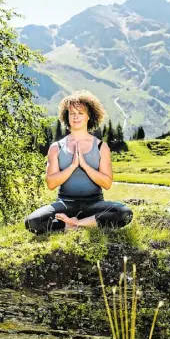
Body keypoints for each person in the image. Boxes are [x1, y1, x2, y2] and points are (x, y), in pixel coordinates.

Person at [24, 91, 132, 233]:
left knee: (125, 213)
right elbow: (51, 183)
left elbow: (107, 183)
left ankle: (76, 223)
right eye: (72, 113)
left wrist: (85, 166)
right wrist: (73, 166)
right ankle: (74, 223)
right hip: (64, 205)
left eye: (80, 113)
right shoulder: (56, 147)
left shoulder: (101, 147)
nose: (76, 117)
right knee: (32, 222)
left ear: (89, 116)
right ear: (66, 116)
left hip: (95, 204)